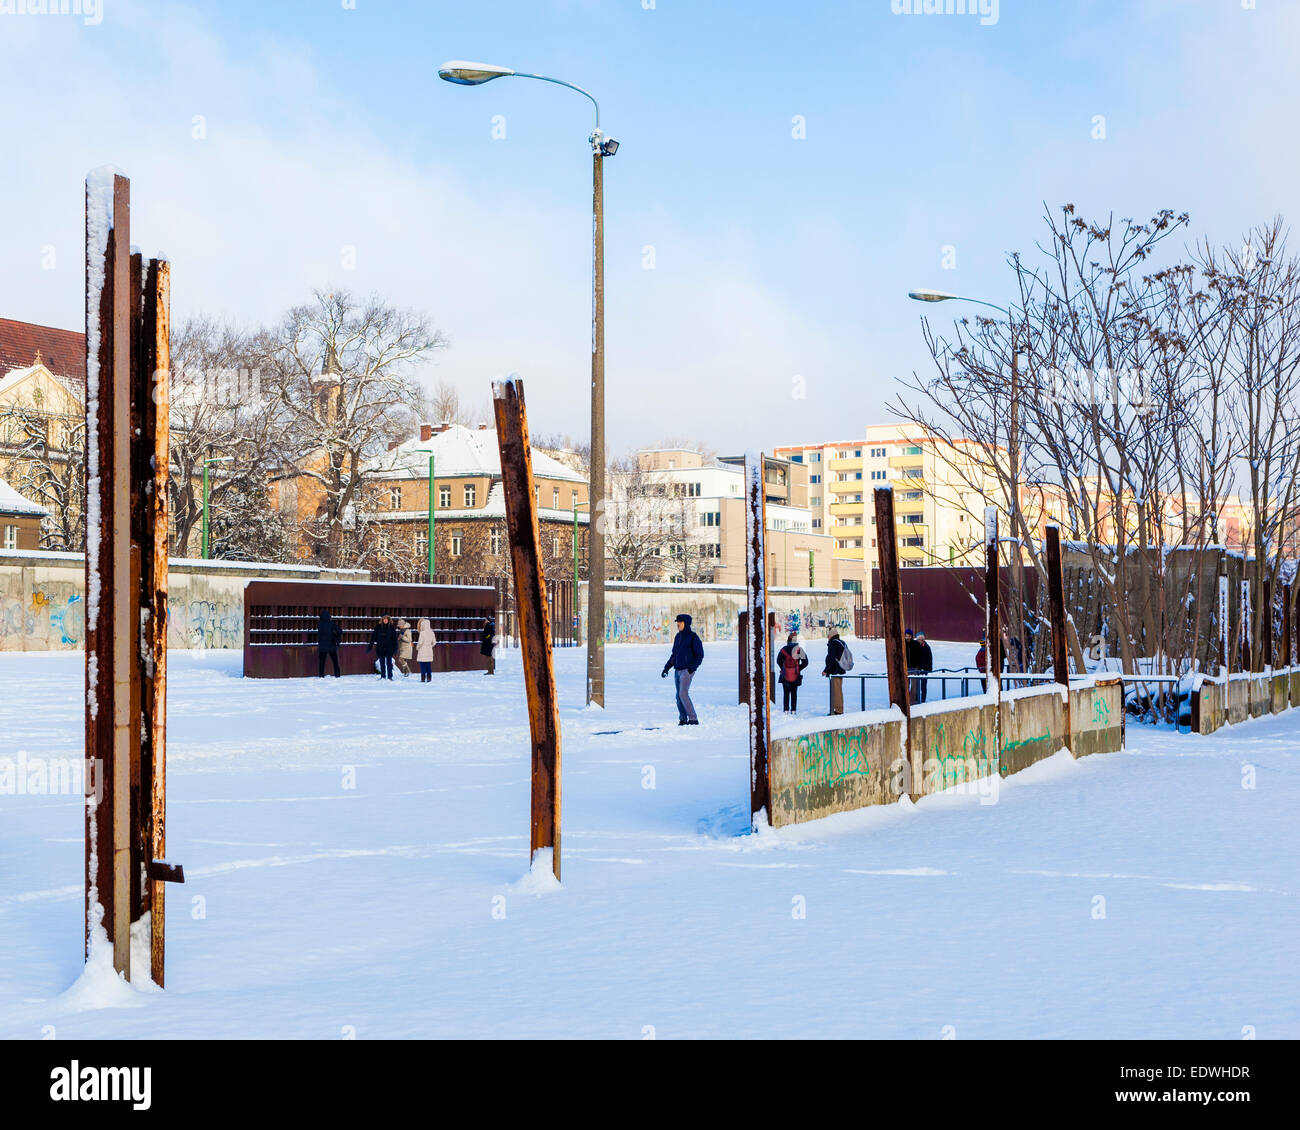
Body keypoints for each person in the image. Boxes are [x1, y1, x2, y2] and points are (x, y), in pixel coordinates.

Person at [661, 613, 704, 725]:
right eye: (677, 622)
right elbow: (674, 655)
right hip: (677, 670)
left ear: (686, 623)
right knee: (678, 695)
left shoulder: (693, 637)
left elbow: (700, 655)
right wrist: (666, 668)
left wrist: (691, 668)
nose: (678, 624)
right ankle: (683, 719)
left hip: (687, 671)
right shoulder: (678, 637)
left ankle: (693, 719)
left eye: (680, 622)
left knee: (683, 694)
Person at [776, 630, 809, 713]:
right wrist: (798, 668)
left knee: (786, 692)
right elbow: (805, 662)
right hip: (796, 674)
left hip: (785, 674)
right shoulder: (799, 650)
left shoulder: (784, 649)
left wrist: (783, 668)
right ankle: (793, 710)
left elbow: (778, 660)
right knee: (794, 692)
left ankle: (786, 709)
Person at [368, 614, 399, 680]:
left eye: (386, 619)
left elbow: (394, 639)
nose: (385, 620)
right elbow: (373, 637)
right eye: (384, 619)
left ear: (388, 620)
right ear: (382, 620)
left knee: (389, 663)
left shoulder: (391, 627)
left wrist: (396, 648)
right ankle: (383, 676)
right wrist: (370, 646)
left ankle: (390, 677)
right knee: (382, 663)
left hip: (389, 648)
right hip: (380, 648)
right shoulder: (378, 627)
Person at [823, 629, 846, 715]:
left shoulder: (833, 643)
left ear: (832, 635)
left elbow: (831, 658)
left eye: (828, 636)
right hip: (841, 669)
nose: (827, 638)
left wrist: (826, 670)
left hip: (835, 671)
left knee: (836, 691)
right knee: (839, 690)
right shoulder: (841, 642)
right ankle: (839, 708)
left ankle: (838, 710)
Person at [317, 610, 342, 678]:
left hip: (322, 646)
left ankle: (321, 675)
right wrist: (335, 636)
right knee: (335, 661)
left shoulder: (319, 624)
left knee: (322, 662)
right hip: (331, 645)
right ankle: (337, 675)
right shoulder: (332, 624)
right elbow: (340, 631)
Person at [914, 630, 934, 703]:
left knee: (923, 686)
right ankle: (915, 699)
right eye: (919, 639)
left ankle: (923, 700)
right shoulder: (915, 646)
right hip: (916, 669)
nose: (920, 640)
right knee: (915, 686)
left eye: (921, 639)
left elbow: (930, 658)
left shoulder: (927, 647)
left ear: (924, 639)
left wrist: (929, 669)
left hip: (925, 669)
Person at [415, 617, 436, 682]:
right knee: (428, 666)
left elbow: (420, 642)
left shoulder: (422, 633)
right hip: (429, 651)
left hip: (422, 651)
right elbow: (434, 642)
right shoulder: (432, 632)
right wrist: (429, 646)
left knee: (423, 666)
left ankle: (423, 678)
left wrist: (417, 647)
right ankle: (429, 678)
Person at [905, 627, 922, 703]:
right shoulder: (903, 644)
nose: (907, 637)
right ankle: (906, 700)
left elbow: (919, 656)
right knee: (906, 685)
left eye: (909, 636)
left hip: (914, 667)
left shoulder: (915, 644)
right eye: (906, 635)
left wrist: (918, 666)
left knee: (914, 685)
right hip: (906, 668)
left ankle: (912, 700)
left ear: (911, 636)